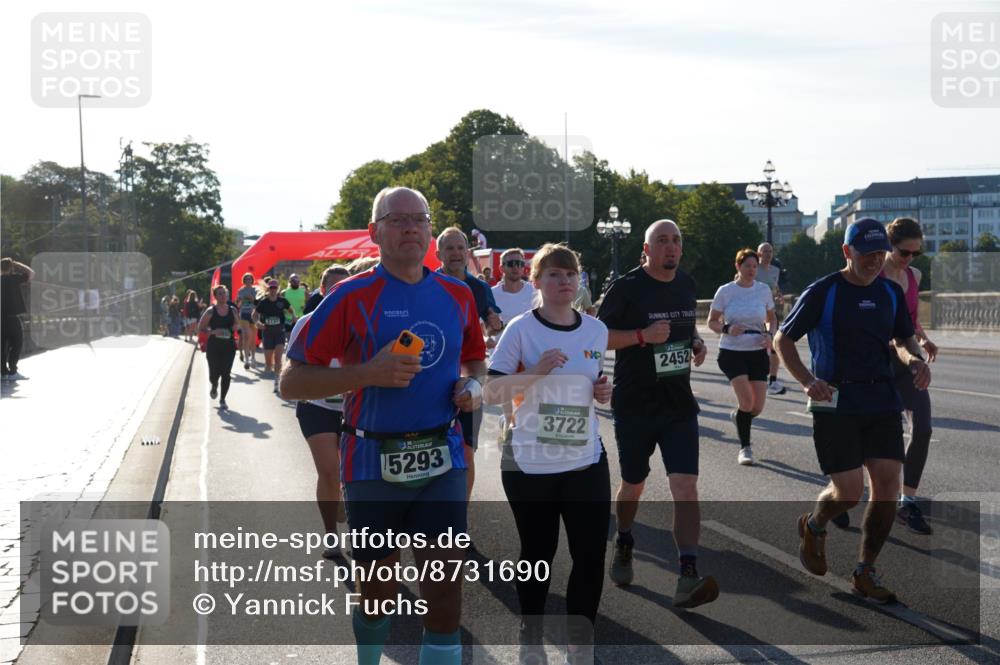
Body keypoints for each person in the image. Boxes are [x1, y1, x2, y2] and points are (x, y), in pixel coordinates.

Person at [281, 186, 486, 665]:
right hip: (373, 461)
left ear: (431, 231)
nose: (411, 228)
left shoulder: (458, 294)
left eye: (420, 219)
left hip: (443, 455)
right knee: (379, 593)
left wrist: (475, 389)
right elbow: (291, 382)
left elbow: (476, 361)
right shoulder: (348, 297)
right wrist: (366, 374)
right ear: (374, 232)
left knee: (445, 594)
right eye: (398, 220)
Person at [774, 218, 931, 604]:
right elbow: (783, 338)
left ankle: (865, 570)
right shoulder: (823, 292)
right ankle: (815, 523)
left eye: (881, 253)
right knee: (847, 492)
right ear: (848, 252)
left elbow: (902, 337)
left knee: (887, 487)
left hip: (880, 398)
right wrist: (807, 380)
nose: (875, 261)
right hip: (835, 402)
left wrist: (914, 359)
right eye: (867, 254)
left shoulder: (888, 294)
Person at [485, 243, 611, 664]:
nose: (564, 281)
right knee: (538, 555)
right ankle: (531, 632)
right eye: (554, 274)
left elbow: (593, 384)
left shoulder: (596, 330)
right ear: (536, 281)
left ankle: (580, 644)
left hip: (585, 459)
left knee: (590, 555)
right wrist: (536, 370)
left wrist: (601, 391)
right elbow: (492, 392)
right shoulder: (521, 329)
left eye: (571, 274)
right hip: (530, 462)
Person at [597, 219, 718, 610]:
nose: (670, 246)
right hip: (635, 403)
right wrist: (640, 337)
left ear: (681, 250)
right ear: (646, 250)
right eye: (661, 241)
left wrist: (696, 341)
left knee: (685, 487)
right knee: (633, 484)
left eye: (676, 241)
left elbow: (686, 328)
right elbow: (597, 337)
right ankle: (626, 538)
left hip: (678, 402)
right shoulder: (626, 287)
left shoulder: (685, 284)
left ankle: (687, 574)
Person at [436, 227, 504, 500]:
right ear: (439, 253)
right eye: (449, 248)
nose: (455, 254)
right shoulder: (427, 283)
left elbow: (492, 326)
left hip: (469, 377)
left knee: (465, 452)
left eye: (460, 248)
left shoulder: (479, 287)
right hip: (433, 379)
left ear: (467, 252)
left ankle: (460, 525)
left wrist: (493, 324)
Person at [881, 217, 937, 534]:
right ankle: (847, 495)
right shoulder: (873, 275)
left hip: (908, 361)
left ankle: (907, 501)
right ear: (890, 246)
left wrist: (924, 338)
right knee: (878, 436)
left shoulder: (913, 275)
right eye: (904, 252)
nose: (910, 259)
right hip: (875, 364)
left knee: (924, 428)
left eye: (916, 253)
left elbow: (910, 321)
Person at [707, 248, 778, 466]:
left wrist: (769, 334)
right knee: (747, 402)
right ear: (738, 267)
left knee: (756, 408)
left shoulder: (763, 290)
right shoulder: (726, 291)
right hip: (732, 352)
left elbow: (772, 319)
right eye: (747, 266)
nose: (751, 270)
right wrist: (727, 328)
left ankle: (740, 417)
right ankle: (745, 448)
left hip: (757, 352)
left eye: (755, 266)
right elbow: (712, 321)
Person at [491, 248, 537, 443]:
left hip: (529, 352)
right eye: (511, 264)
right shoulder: (492, 294)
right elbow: (483, 326)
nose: (516, 267)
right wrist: (489, 336)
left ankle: (520, 429)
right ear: (502, 268)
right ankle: (509, 426)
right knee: (508, 400)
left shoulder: (534, 292)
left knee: (527, 401)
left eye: (520, 263)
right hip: (502, 353)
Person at [755, 243, 788, 395]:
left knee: (775, 346)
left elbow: (775, 288)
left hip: (771, 314)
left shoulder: (775, 270)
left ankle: (772, 381)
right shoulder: (753, 269)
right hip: (756, 314)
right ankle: (758, 379)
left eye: (770, 251)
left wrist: (778, 295)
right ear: (758, 253)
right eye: (764, 251)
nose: (768, 254)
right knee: (761, 348)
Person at [198, 285, 238, 410]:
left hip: (229, 346)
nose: (222, 296)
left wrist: (235, 328)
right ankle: (214, 384)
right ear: (215, 296)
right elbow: (201, 327)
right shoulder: (211, 311)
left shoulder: (232, 310)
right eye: (220, 294)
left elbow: (238, 323)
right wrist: (212, 331)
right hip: (214, 347)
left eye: (224, 293)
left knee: (226, 373)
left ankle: (222, 399)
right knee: (214, 373)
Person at [253, 279, 294, 393]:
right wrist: (257, 323)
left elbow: (291, 311)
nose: (273, 290)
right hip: (267, 333)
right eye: (271, 288)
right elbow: (254, 315)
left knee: (278, 358)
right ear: (268, 289)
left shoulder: (282, 301)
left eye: (275, 288)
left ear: (277, 289)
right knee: (268, 364)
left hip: (279, 331)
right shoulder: (264, 302)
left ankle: (277, 381)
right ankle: (272, 370)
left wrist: (293, 318)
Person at [1, 257, 34, 382]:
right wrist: (18, 264)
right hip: (11, 319)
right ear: (11, 268)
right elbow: (31, 273)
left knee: (1, 346)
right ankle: (12, 370)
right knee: (17, 343)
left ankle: (3, 373)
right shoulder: (13, 279)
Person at [235, 273, 259, 369]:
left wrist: (251, 298)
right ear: (244, 281)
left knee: (253, 338)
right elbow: (238, 305)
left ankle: (253, 357)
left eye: (249, 279)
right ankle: (246, 360)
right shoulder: (241, 291)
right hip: (244, 314)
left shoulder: (255, 290)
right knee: (245, 336)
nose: (248, 280)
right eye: (246, 279)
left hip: (253, 314)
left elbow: (258, 303)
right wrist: (241, 300)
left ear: (252, 280)